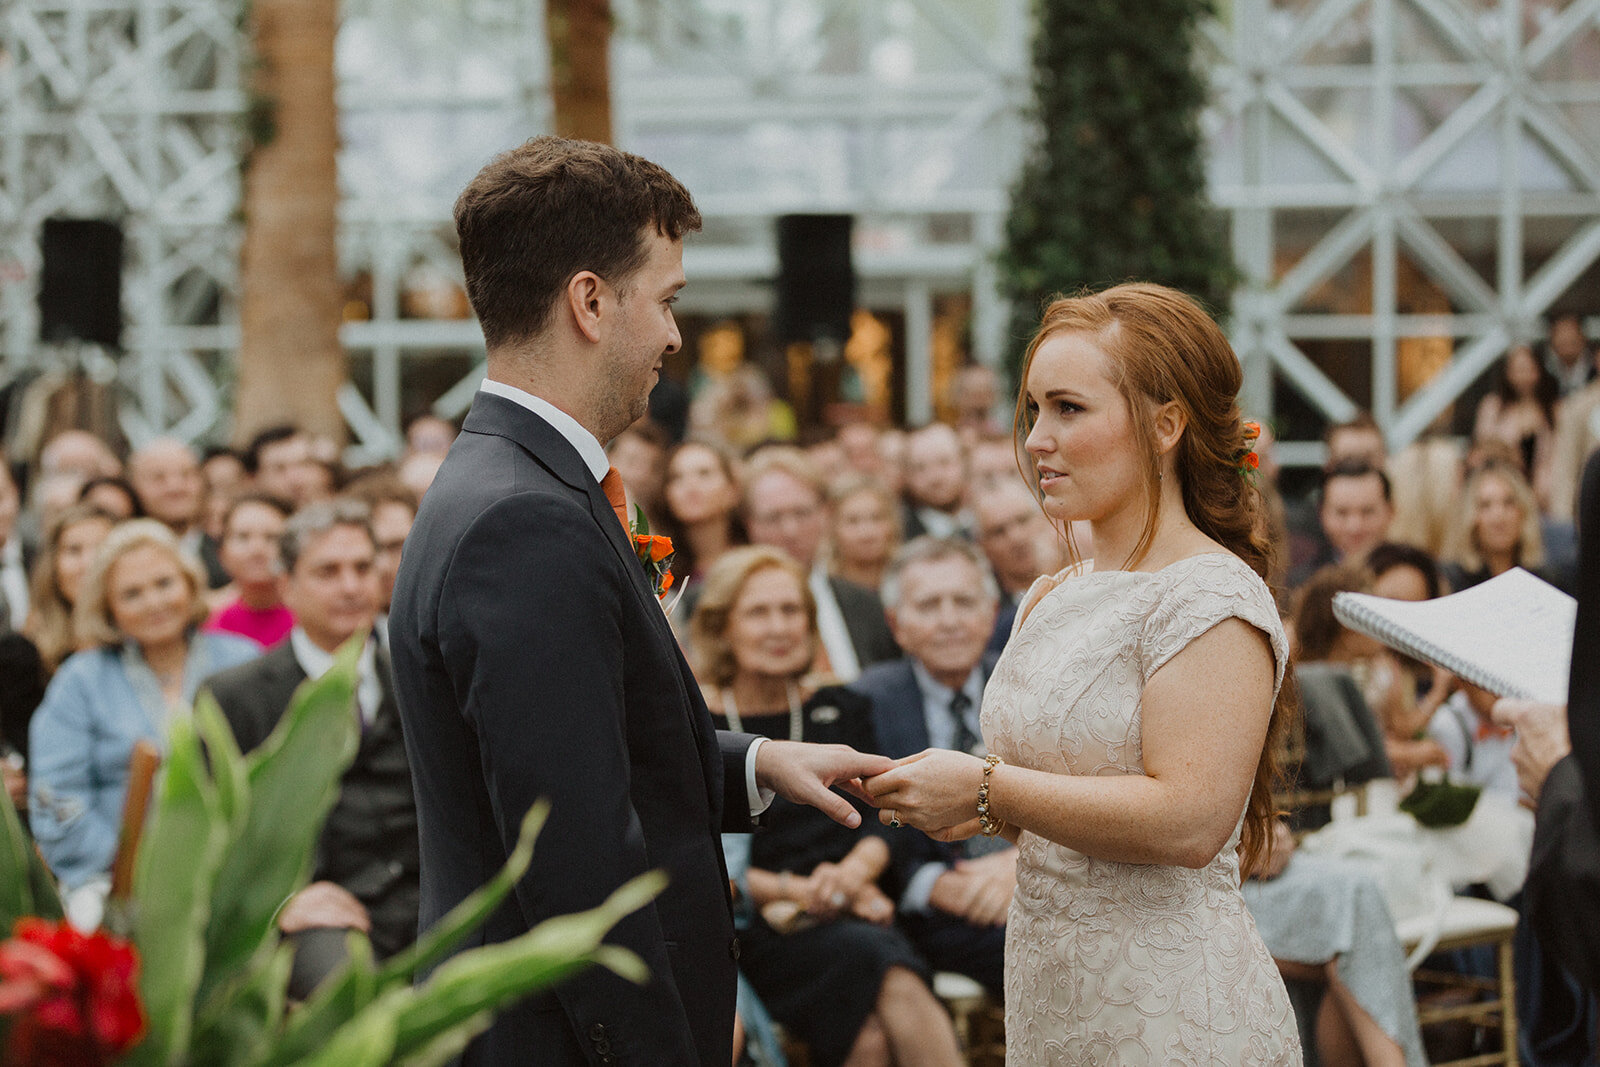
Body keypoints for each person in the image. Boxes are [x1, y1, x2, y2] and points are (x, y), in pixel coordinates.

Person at [388, 136, 894, 1067]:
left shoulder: (514, 482)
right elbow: (577, 852)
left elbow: (591, 743)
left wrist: (758, 762)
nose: (673, 334)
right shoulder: (523, 521)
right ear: (589, 301)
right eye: (666, 300)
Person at [863, 282, 1301, 1063]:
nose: (1036, 439)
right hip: (1053, 993)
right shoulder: (1052, 590)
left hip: (1171, 1004)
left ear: (1165, 425)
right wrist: (964, 806)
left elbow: (1191, 820)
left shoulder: (1210, 593)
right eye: (1033, 409)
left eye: (1069, 408)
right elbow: (1064, 783)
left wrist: (988, 789)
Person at [694, 547, 963, 1067]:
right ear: (722, 626)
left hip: (853, 904)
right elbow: (693, 852)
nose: (779, 628)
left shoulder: (843, 707)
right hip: (752, 927)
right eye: (758, 612)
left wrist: (850, 878)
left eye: (791, 611)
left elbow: (890, 815)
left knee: (870, 1030)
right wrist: (800, 891)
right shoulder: (700, 722)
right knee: (883, 972)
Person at [203, 500, 418, 997]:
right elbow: (210, 831)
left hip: (423, 899)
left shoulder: (418, 680)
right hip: (317, 912)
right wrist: (282, 903)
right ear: (287, 587)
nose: (350, 586)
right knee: (342, 997)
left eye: (363, 568)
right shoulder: (236, 696)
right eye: (328, 571)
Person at [28, 520, 258, 891]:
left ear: (190, 583)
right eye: (132, 594)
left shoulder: (242, 659)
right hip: (113, 881)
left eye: (165, 584)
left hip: (235, 878)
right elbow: (55, 797)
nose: (154, 603)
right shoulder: (82, 679)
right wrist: (129, 870)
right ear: (109, 607)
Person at [851, 537, 1010, 998]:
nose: (949, 620)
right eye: (929, 605)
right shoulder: (865, 701)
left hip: (1033, 882)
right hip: (928, 911)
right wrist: (933, 884)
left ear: (991, 611)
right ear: (896, 624)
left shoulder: (1029, 687)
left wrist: (1022, 865)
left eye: (964, 601)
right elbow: (862, 824)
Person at [742, 447, 899, 682]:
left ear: (825, 514)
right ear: (750, 524)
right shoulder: (731, 608)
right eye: (773, 517)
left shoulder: (865, 605)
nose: (790, 531)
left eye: (802, 513)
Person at [22, 504, 118, 676]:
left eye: (102, 549)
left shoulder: (138, 642)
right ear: (53, 565)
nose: (88, 564)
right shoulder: (26, 651)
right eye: (74, 550)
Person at [1441, 459, 1555, 592]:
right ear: (1470, 517)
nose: (1499, 517)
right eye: (1485, 505)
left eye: (1509, 503)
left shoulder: (1545, 582)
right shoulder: (1450, 582)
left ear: (1524, 512)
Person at [973, 481, 1060, 651]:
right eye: (999, 531)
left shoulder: (1082, 574)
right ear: (982, 546)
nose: (1016, 537)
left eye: (1023, 521)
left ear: (1045, 519)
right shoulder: (989, 616)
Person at [205, 493, 294, 647]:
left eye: (271, 537)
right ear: (221, 552)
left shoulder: (312, 612)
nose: (257, 550)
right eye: (243, 537)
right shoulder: (206, 617)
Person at [657, 439, 745, 589]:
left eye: (704, 473)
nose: (690, 486)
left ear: (733, 489)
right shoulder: (658, 572)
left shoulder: (756, 563)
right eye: (677, 477)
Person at [1474, 343, 1559, 496]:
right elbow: (1482, 449)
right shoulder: (1492, 407)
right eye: (1518, 370)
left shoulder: (1553, 411)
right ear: (1507, 373)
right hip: (1501, 486)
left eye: (1528, 369)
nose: (1523, 376)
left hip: (1542, 495)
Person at [825, 475, 900, 594]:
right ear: (833, 528)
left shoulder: (908, 578)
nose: (866, 533)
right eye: (852, 521)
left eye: (877, 518)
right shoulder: (824, 589)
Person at [899, 423, 971, 540]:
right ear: (906, 475)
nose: (935, 477)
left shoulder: (989, 523)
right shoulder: (900, 536)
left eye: (944, 462)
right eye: (920, 468)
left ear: (964, 462)